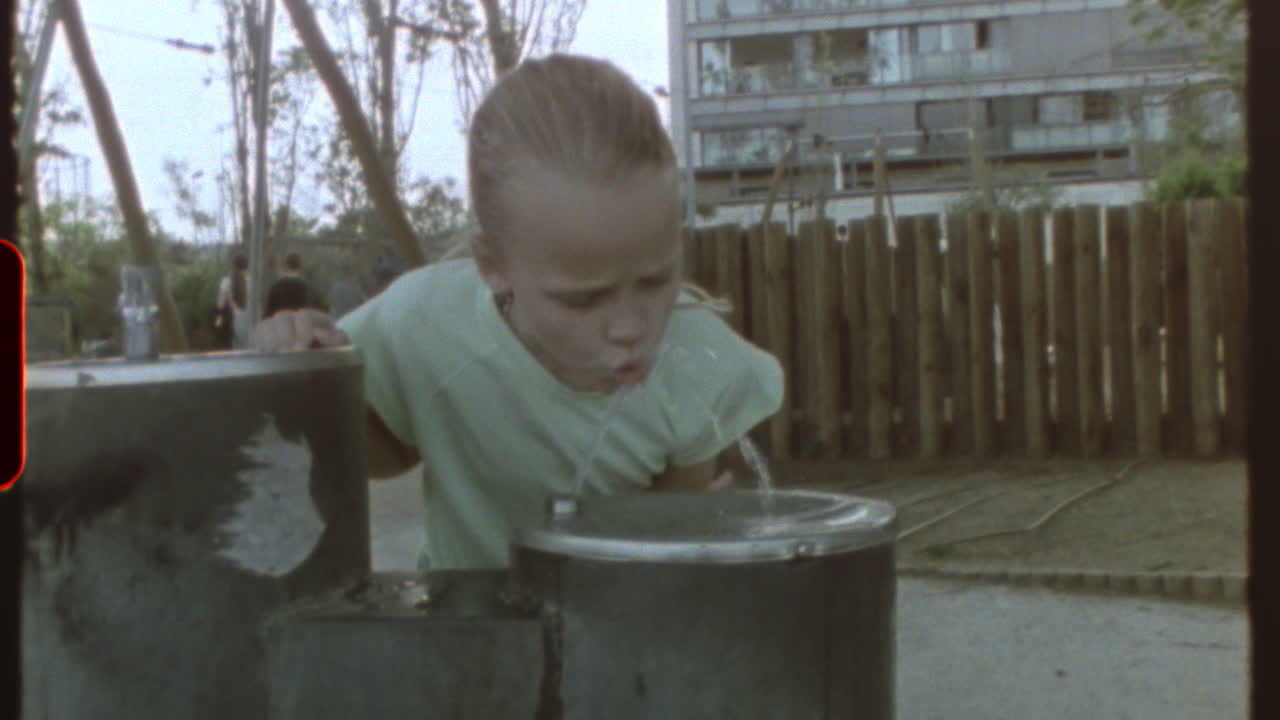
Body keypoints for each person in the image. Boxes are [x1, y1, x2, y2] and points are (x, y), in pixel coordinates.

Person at [252, 54, 784, 573]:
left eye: (655, 279)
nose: (630, 326)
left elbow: (666, 555)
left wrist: (690, 533)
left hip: (622, 635)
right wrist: (310, 376)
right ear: (494, 265)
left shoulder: (697, 360)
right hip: (469, 633)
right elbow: (383, 458)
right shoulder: (424, 322)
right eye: (582, 299)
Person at [214, 252, 252, 350]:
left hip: (233, 320)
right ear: (247, 266)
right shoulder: (252, 282)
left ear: (233, 265)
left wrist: (218, 319)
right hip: (250, 320)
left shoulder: (226, 281)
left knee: (236, 350)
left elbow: (220, 305)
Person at [264, 251, 313, 318]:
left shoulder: (277, 286)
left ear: (286, 265)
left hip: (279, 323)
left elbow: (269, 310)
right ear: (299, 266)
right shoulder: (304, 287)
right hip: (296, 323)